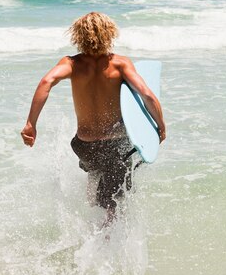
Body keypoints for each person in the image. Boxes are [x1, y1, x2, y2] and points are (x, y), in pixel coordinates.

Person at [21, 12, 166, 226]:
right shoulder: (120, 64)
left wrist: (31, 123)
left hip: (84, 145)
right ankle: (106, 236)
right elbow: (146, 94)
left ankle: (94, 212)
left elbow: (46, 82)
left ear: (78, 35)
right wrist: (160, 126)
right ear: (110, 34)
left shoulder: (71, 64)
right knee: (117, 200)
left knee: (97, 174)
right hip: (116, 145)